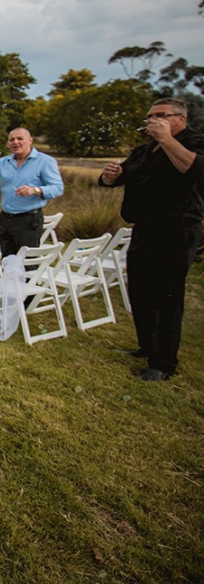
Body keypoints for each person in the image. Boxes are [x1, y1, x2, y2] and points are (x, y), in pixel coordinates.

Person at [99, 98, 204, 381]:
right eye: (149, 117)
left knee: (168, 294)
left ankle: (163, 362)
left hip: (178, 228)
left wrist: (167, 139)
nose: (152, 121)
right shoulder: (144, 151)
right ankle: (146, 345)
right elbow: (117, 178)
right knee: (141, 291)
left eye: (160, 115)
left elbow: (194, 169)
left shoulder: (194, 142)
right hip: (144, 227)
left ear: (180, 119)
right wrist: (111, 176)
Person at [0, 128, 64, 257]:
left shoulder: (45, 161)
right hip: (6, 219)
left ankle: (28, 278)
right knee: (8, 262)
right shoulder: (3, 162)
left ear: (30, 140)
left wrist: (34, 190)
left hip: (29, 220)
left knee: (27, 265)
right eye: (11, 140)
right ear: (8, 144)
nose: (15, 142)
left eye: (20, 138)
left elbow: (57, 188)